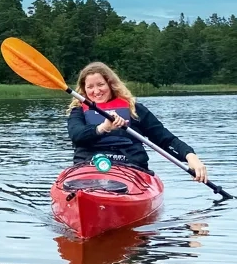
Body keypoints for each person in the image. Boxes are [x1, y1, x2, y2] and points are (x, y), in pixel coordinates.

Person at [66, 62, 208, 183]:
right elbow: (76, 135)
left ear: (110, 84)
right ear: (84, 89)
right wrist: (103, 127)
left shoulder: (134, 110)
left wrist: (190, 156)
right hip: (88, 168)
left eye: (100, 84)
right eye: (90, 87)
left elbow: (164, 138)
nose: (96, 91)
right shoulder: (78, 111)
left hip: (131, 170)